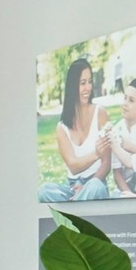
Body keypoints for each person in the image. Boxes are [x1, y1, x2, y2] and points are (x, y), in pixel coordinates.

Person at [42, 57, 112, 201]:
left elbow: (106, 163)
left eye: (90, 81)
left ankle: (75, 208)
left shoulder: (100, 114)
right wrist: (96, 153)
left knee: (95, 187)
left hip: (95, 183)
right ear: (73, 86)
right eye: (82, 83)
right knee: (43, 191)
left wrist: (86, 188)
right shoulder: (62, 127)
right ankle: (77, 204)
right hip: (72, 188)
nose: (88, 88)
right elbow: (73, 166)